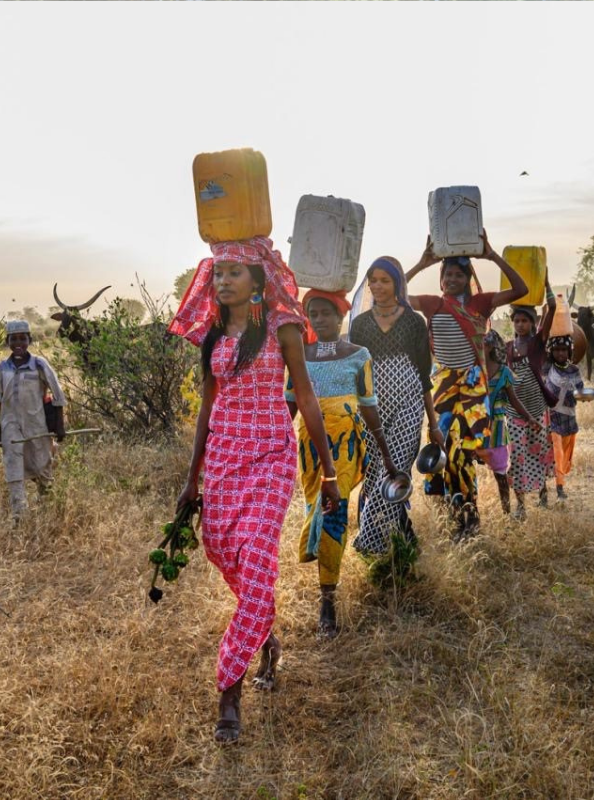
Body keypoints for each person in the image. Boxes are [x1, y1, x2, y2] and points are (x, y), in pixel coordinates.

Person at [169, 236, 341, 746]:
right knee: (226, 552)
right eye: (218, 273)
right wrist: (191, 477)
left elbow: (306, 398)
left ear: (258, 281)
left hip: (270, 456)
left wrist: (328, 474)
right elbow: (207, 408)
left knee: (259, 556)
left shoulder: (283, 329)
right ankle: (265, 637)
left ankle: (229, 695)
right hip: (223, 457)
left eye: (234, 273)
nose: (222, 281)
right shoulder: (213, 335)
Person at [287, 289, 396, 639]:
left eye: (324, 313)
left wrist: (386, 453)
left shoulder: (358, 355)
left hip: (346, 447)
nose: (318, 320)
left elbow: (369, 405)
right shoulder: (299, 355)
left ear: (339, 317)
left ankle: (327, 600)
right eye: (312, 314)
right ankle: (326, 584)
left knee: (334, 511)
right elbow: (290, 404)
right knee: (314, 507)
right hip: (308, 448)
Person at [405, 232, 529, 539]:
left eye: (459, 274)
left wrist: (492, 256)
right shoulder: (433, 304)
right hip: (444, 387)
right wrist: (422, 263)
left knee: (461, 449)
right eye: (447, 274)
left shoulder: (481, 303)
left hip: (473, 389)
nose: (452, 279)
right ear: (441, 278)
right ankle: (455, 516)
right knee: (442, 448)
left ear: (468, 277)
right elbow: (392, 295)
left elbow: (521, 289)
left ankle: (467, 519)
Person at [347, 257, 443, 557]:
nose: (377, 286)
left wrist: (434, 422)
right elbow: (355, 373)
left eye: (384, 280)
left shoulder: (414, 321)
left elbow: (424, 375)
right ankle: (401, 542)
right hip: (372, 407)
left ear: (397, 284)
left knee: (397, 468)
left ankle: (370, 539)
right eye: (373, 280)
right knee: (376, 472)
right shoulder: (360, 324)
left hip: (409, 403)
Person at [0, 320, 66, 521]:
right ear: (7, 341)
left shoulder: (39, 365)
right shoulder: (3, 367)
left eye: (22, 338)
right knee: (13, 465)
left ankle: (47, 508)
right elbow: (2, 399)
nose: (18, 343)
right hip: (9, 424)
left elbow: (58, 395)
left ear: (29, 340)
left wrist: (59, 427)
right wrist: (0, 433)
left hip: (36, 423)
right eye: (14, 339)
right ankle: (19, 514)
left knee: (42, 465)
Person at [478, 330, 544, 515]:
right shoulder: (475, 371)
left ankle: (506, 513)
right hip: (475, 430)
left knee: (501, 476)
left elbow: (514, 400)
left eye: (481, 344)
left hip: (497, 431)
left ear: (490, 347)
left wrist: (529, 418)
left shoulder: (504, 372)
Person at [507, 304, 557, 520]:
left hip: (537, 409)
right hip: (514, 411)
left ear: (532, 323)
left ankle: (543, 489)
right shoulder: (507, 348)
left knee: (538, 451)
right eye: (517, 321)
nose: (520, 325)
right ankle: (520, 505)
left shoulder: (537, 344)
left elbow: (552, 308)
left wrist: (545, 284)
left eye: (525, 321)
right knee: (517, 456)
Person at [543, 335, 584, 500]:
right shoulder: (546, 369)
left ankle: (560, 480)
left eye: (564, 350)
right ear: (551, 352)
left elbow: (580, 390)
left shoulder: (574, 370)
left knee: (566, 456)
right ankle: (559, 488)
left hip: (569, 418)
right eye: (557, 350)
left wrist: (580, 394)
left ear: (569, 351)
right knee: (557, 453)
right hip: (552, 418)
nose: (560, 353)